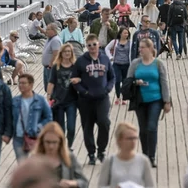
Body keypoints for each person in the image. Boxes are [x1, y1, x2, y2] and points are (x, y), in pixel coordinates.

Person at [127, 38, 172, 167]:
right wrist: (136, 82)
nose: (140, 50)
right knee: (143, 128)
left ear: (150, 49)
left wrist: (166, 101)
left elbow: (164, 82)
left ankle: (151, 156)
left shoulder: (158, 63)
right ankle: (145, 154)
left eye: (142, 47)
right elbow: (128, 81)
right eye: (139, 47)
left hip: (155, 99)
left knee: (152, 127)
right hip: (140, 99)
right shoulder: (135, 63)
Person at [71, 34, 115, 165]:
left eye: (94, 44)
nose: (92, 47)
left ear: (98, 44)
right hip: (86, 99)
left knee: (104, 122)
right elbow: (75, 80)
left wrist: (107, 89)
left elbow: (112, 77)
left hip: (102, 97)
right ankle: (91, 153)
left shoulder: (105, 59)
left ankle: (101, 150)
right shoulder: (81, 61)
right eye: (89, 45)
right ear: (86, 46)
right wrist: (83, 91)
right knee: (87, 126)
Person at [31, 122, 88, 188]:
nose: (51, 146)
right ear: (42, 141)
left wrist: (71, 183)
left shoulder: (69, 157)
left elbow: (84, 182)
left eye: (54, 142)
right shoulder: (34, 160)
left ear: (60, 142)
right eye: (47, 142)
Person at [98, 122, 155, 188]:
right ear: (119, 140)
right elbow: (101, 185)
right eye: (129, 138)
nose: (133, 141)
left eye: (135, 138)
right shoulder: (110, 161)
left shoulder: (143, 161)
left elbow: (150, 185)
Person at [12, 74, 52, 159]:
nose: (21, 85)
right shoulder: (14, 101)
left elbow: (48, 117)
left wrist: (38, 127)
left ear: (31, 84)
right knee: (22, 165)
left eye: (23, 83)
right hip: (18, 138)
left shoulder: (40, 100)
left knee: (36, 164)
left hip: (35, 137)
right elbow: (9, 118)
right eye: (19, 83)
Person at [47, 43, 79, 149]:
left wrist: (78, 80)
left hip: (72, 101)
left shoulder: (75, 66)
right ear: (61, 53)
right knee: (60, 128)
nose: (67, 53)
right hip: (58, 101)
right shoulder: (56, 66)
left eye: (69, 51)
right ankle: (62, 147)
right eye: (65, 51)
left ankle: (69, 146)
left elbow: (81, 79)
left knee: (71, 127)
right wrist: (48, 97)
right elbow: (51, 82)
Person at [105, 27, 132, 106]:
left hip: (126, 64)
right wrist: (110, 57)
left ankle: (124, 98)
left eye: (127, 33)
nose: (126, 35)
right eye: (124, 33)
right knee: (117, 80)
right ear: (120, 33)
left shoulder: (130, 42)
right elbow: (107, 48)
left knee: (124, 81)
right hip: (116, 63)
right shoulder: (115, 42)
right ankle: (117, 97)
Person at [42, 24, 63, 92]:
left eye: (48, 29)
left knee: (51, 88)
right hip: (47, 67)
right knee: (47, 87)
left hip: (51, 68)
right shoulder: (49, 39)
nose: (46, 31)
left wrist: (50, 65)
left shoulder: (55, 40)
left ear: (53, 30)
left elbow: (56, 54)